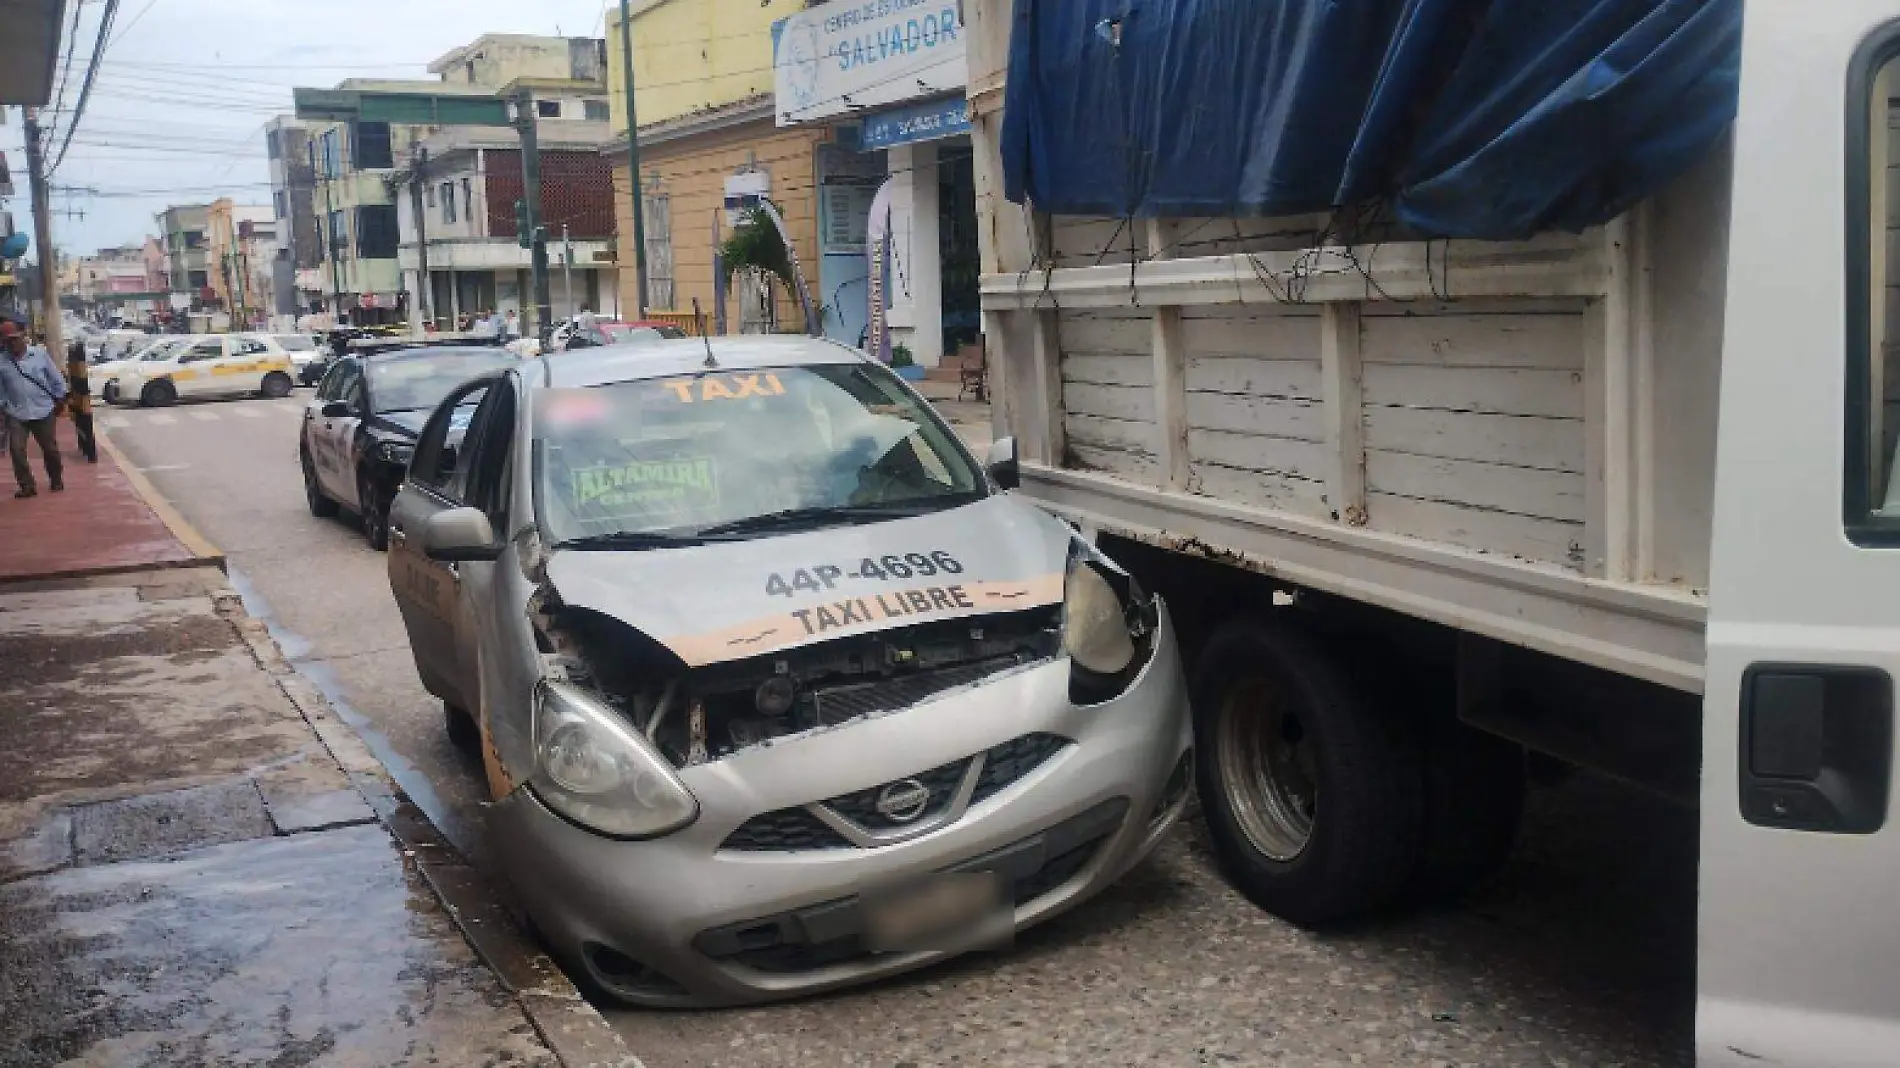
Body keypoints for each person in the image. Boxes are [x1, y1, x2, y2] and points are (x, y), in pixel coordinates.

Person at [0, 320, 68, 498]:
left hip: (43, 410)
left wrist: (60, 398)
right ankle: (27, 485)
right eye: (7, 340)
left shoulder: (39, 355)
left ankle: (56, 478)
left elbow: (56, 379)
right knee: (16, 450)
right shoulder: (2, 362)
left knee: (50, 449)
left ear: (23, 336)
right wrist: (5, 406)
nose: (11, 343)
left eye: (14, 339)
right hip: (17, 413)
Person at [64, 338, 98, 464]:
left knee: (85, 428)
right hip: (79, 397)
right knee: (82, 427)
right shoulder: (76, 367)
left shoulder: (78, 367)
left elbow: (82, 384)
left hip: (81, 399)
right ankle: (87, 450)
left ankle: (90, 453)